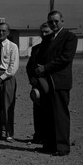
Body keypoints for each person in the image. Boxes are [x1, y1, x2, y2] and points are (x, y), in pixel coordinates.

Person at [33, 11, 77, 156]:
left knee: (60, 115)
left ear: (62, 21)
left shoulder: (69, 37)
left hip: (60, 81)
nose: (54, 24)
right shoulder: (47, 39)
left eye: (56, 21)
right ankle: (49, 145)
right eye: (51, 22)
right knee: (47, 114)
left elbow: (66, 58)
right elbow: (40, 56)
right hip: (46, 82)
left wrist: (45, 68)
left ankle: (62, 147)